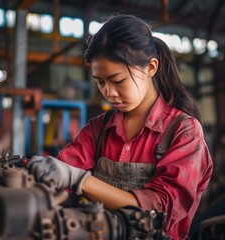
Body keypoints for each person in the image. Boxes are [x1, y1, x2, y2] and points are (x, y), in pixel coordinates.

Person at [27, 14, 213, 239]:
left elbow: (160, 210)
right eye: (101, 82)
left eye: (118, 80)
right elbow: (60, 173)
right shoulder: (98, 130)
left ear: (151, 67)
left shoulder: (184, 132)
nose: (109, 93)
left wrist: (79, 180)